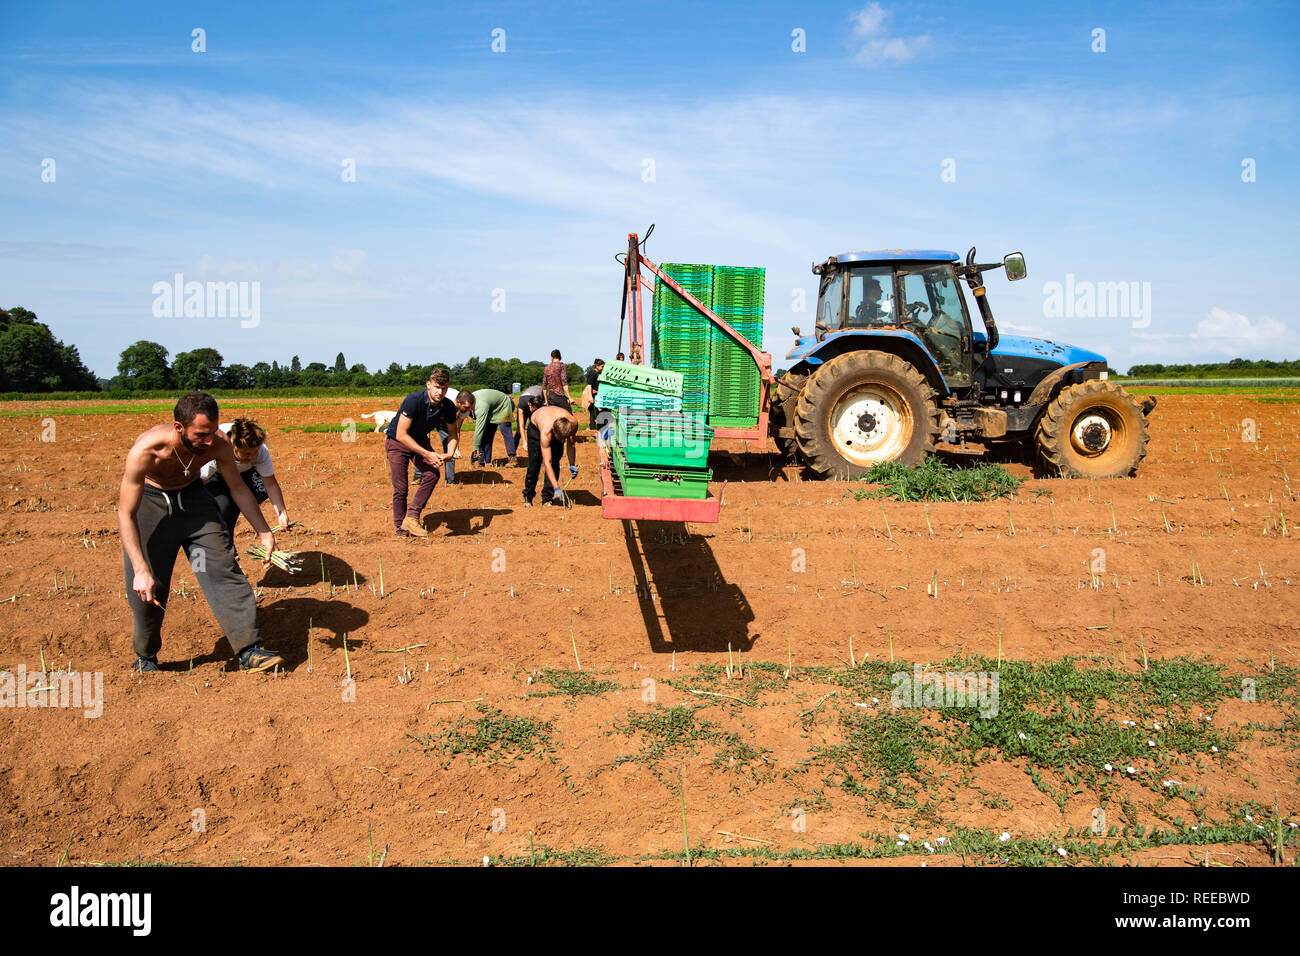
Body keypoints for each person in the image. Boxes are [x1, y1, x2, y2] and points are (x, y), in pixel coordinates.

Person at [118, 392, 282, 673]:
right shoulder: (145, 452)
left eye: (213, 432)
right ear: (178, 427)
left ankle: (248, 650)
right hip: (151, 505)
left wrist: (263, 531)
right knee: (147, 586)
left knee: (222, 566)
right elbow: (125, 513)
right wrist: (140, 567)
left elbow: (238, 488)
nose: (210, 440)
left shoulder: (218, 443)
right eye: (201, 434)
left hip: (195, 502)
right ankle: (146, 656)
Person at [385, 368, 460, 538]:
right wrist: (427, 454)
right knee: (401, 488)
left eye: (444, 388)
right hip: (398, 442)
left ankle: (411, 516)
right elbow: (401, 434)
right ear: (428, 385)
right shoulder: (413, 400)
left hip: (420, 440)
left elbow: (453, 433)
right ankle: (401, 528)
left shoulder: (447, 406)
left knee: (432, 474)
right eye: (436, 387)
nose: (440, 392)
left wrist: (449, 453)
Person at [200, 418, 290, 546]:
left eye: (255, 452)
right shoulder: (217, 448)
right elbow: (199, 481)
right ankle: (225, 546)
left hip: (246, 473)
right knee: (222, 507)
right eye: (247, 454)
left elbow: (270, 484)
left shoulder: (261, 451)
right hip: (217, 474)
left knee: (248, 499)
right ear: (234, 447)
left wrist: (281, 512)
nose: (252, 457)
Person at [522, 403, 579, 507]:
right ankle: (528, 497)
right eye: (561, 439)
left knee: (555, 461)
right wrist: (557, 487)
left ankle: (547, 498)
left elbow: (571, 444)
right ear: (554, 432)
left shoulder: (573, 423)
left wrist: (572, 464)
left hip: (556, 424)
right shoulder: (546, 433)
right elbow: (547, 463)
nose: (563, 441)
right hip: (535, 428)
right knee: (534, 463)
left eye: (564, 439)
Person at [465, 388, 518, 466]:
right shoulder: (468, 402)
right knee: (487, 434)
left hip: (504, 404)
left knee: (505, 430)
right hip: (491, 409)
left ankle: (512, 458)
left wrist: (474, 449)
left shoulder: (481, 406)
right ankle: (484, 461)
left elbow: (479, 430)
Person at [581, 359, 606, 431]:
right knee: (593, 412)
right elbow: (589, 385)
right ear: (597, 366)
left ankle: (593, 427)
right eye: (602, 366)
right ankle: (592, 428)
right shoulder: (593, 373)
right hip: (591, 394)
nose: (602, 368)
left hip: (595, 394)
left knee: (595, 412)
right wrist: (590, 397)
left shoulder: (598, 373)